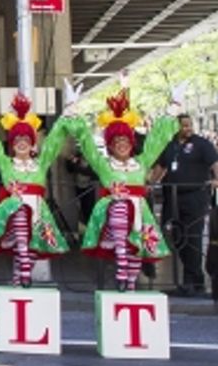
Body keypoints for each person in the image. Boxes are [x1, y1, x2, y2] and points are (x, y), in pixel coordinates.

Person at [0, 92, 76, 286]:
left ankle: (19, 279)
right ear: (12, 143)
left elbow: (53, 142)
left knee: (30, 249)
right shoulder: (7, 164)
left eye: (26, 139)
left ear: (33, 143)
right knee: (22, 245)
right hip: (15, 212)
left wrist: (67, 113)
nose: (22, 143)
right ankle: (23, 279)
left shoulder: (40, 164)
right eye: (17, 140)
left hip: (38, 213)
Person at [78, 91, 178, 291]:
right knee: (120, 209)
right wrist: (73, 114)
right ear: (110, 146)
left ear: (131, 144)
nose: (121, 146)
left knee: (137, 247)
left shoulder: (140, 163)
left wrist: (173, 108)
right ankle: (121, 265)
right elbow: (88, 145)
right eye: (116, 143)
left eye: (125, 142)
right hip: (114, 215)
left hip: (139, 214)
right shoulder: (104, 165)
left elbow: (157, 141)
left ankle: (129, 280)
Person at [154, 113, 218, 296]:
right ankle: (188, 279)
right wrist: (148, 183)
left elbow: (215, 164)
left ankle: (194, 281)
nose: (188, 128)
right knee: (177, 237)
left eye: (190, 125)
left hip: (194, 197)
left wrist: (216, 180)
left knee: (193, 237)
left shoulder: (201, 144)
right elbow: (160, 168)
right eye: (184, 125)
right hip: (172, 197)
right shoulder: (170, 145)